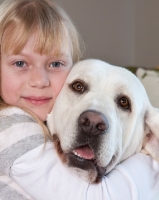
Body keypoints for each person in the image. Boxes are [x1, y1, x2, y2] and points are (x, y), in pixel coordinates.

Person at [0, 0, 158, 200]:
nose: (40, 81)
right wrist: (151, 168)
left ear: (148, 135)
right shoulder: (11, 126)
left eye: (123, 103)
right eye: (79, 87)